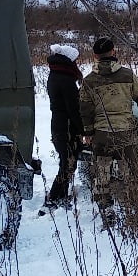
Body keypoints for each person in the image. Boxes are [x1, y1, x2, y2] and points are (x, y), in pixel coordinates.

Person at [79, 36, 138, 215]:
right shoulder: (128, 75)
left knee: (102, 170)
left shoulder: (89, 81)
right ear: (113, 52)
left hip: (101, 133)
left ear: (95, 56)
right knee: (131, 170)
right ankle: (136, 206)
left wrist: (88, 132)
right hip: (125, 131)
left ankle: (105, 207)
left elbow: (85, 110)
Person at [43, 43, 84, 208]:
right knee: (68, 164)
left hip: (59, 126)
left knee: (66, 163)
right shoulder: (66, 80)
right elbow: (73, 110)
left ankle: (60, 196)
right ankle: (54, 197)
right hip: (67, 128)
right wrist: (84, 129)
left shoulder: (55, 75)